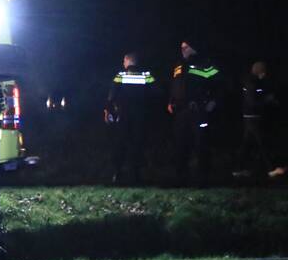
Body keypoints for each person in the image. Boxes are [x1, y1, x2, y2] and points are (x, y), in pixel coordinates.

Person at [167, 39, 221, 187]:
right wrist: (170, 101)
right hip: (181, 111)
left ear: (194, 48)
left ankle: (202, 179)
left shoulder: (206, 63)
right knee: (180, 145)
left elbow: (218, 85)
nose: (183, 50)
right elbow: (174, 85)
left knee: (201, 145)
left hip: (199, 111)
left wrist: (213, 101)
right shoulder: (178, 65)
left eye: (186, 47)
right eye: (182, 47)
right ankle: (180, 178)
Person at [104, 52, 154, 184]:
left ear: (128, 61)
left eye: (124, 61)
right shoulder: (146, 75)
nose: (123, 63)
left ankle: (117, 173)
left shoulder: (121, 75)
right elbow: (154, 93)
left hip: (123, 115)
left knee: (120, 144)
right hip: (141, 116)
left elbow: (112, 95)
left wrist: (108, 111)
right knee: (137, 144)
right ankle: (136, 174)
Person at [234, 61, 278, 180]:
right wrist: (267, 100)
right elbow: (252, 102)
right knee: (262, 143)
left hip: (250, 116)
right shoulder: (252, 82)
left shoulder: (253, 81)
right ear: (260, 71)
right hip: (252, 117)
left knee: (247, 144)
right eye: (264, 70)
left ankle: (239, 169)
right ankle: (271, 169)